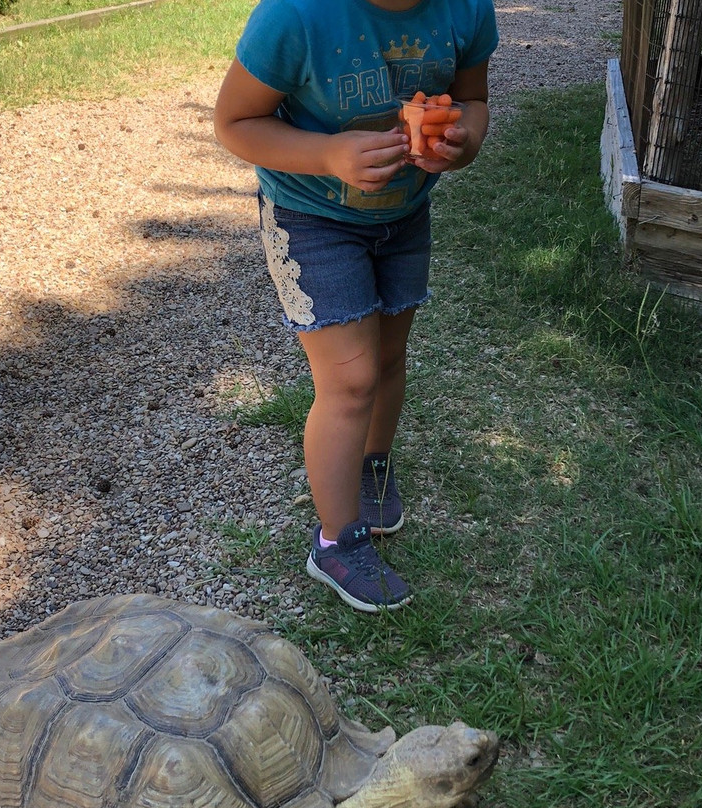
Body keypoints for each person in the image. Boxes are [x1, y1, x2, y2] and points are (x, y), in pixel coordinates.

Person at [214, 0, 498, 612]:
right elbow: (234, 122)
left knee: (390, 358)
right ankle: (335, 541)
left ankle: (373, 465)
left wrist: (463, 137)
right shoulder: (295, 16)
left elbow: (473, 100)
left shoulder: (466, 8)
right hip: (310, 218)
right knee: (350, 382)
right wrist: (329, 155)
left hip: (403, 214)